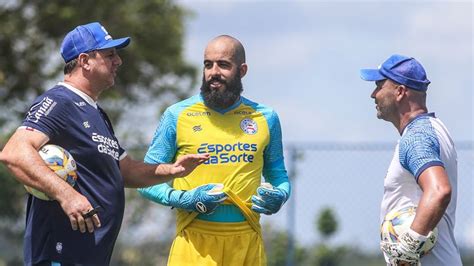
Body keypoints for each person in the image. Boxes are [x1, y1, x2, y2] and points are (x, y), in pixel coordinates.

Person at [0, 22, 209, 266]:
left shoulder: (96, 113)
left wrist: (172, 170)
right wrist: (67, 196)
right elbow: (14, 153)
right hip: (60, 256)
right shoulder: (60, 101)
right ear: (84, 61)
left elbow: (125, 170)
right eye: (110, 54)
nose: (118, 61)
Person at [138, 35, 291, 265]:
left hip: (246, 240)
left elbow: (279, 176)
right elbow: (144, 180)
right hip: (193, 242)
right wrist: (185, 199)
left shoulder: (266, 118)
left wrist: (280, 196)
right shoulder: (177, 115)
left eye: (223, 65)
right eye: (208, 64)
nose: (213, 72)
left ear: (242, 70)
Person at [360, 54, 462, 266]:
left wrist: (409, 246)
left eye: (379, 85)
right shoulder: (433, 128)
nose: (373, 94)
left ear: (399, 92)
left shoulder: (417, 137)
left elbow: (439, 190)